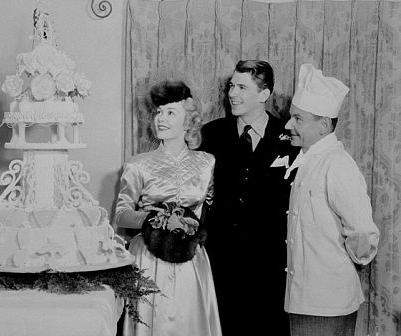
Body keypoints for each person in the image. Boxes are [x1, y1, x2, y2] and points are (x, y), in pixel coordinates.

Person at [114, 80, 222, 336]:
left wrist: (189, 226)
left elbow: (207, 209)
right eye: (158, 112)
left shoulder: (207, 162)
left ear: (188, 122)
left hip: (190, 259)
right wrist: (157, 219)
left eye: (170, 113)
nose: (161, 119)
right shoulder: (138, 165)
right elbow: (121, 215)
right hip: (149, 259)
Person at [199, 60, 298, 335]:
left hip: (270, 264)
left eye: (242, 87)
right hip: (221, 260)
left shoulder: (289, 138)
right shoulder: (211, 134)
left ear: (264, 95)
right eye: (231, 86)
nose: (232, 93)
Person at [283, 63, 380, 336]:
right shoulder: (309, 160)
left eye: (298, 119)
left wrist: (339, 265)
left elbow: (362, 231)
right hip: (306, 302)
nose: (289, 125)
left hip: (326, 304)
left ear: (323, 125)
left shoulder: (337, 164)